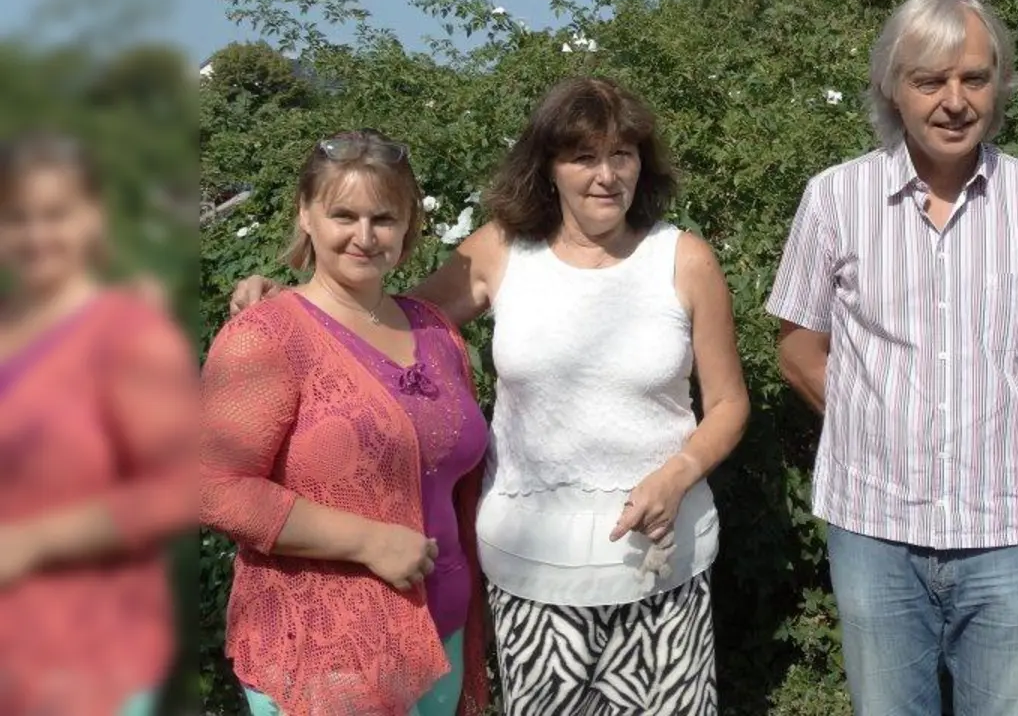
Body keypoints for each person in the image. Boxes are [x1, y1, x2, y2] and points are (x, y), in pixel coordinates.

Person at [230, 78, 750, 716]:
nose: (607, 175)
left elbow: (728, 404)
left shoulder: (684, 258)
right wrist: (282, 303)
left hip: (664, 568)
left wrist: (679, 474)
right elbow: (370, 319)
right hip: (531, 574)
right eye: (583, 157)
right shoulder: (503, 250)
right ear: (547, 168)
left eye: (624, 154)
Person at [765, 0, 1018, 716]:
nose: (955, 100)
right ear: (894, 87)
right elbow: (798, 347)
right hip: (875, 530)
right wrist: (880, 419)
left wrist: (994, 421)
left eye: (974, 78)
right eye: (930, 81)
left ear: (999, 85)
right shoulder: (834, 199)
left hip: (1007, 531)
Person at [200, 129, 491, 716]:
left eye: (384, 217)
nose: (364, 236)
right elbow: (212, 488)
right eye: (343, 215)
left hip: (444, 633)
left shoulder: (434, 330)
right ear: (306, 215)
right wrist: (368, 541)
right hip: (329, 651)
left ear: (409, 226)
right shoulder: (267, 335)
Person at [0, 131, 196, 716]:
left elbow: (182, 488)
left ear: (93, 218)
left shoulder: (127, 333)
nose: (37, 235)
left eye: (55, 215)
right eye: (17, 217)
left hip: (86, 659)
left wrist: (31, 542)